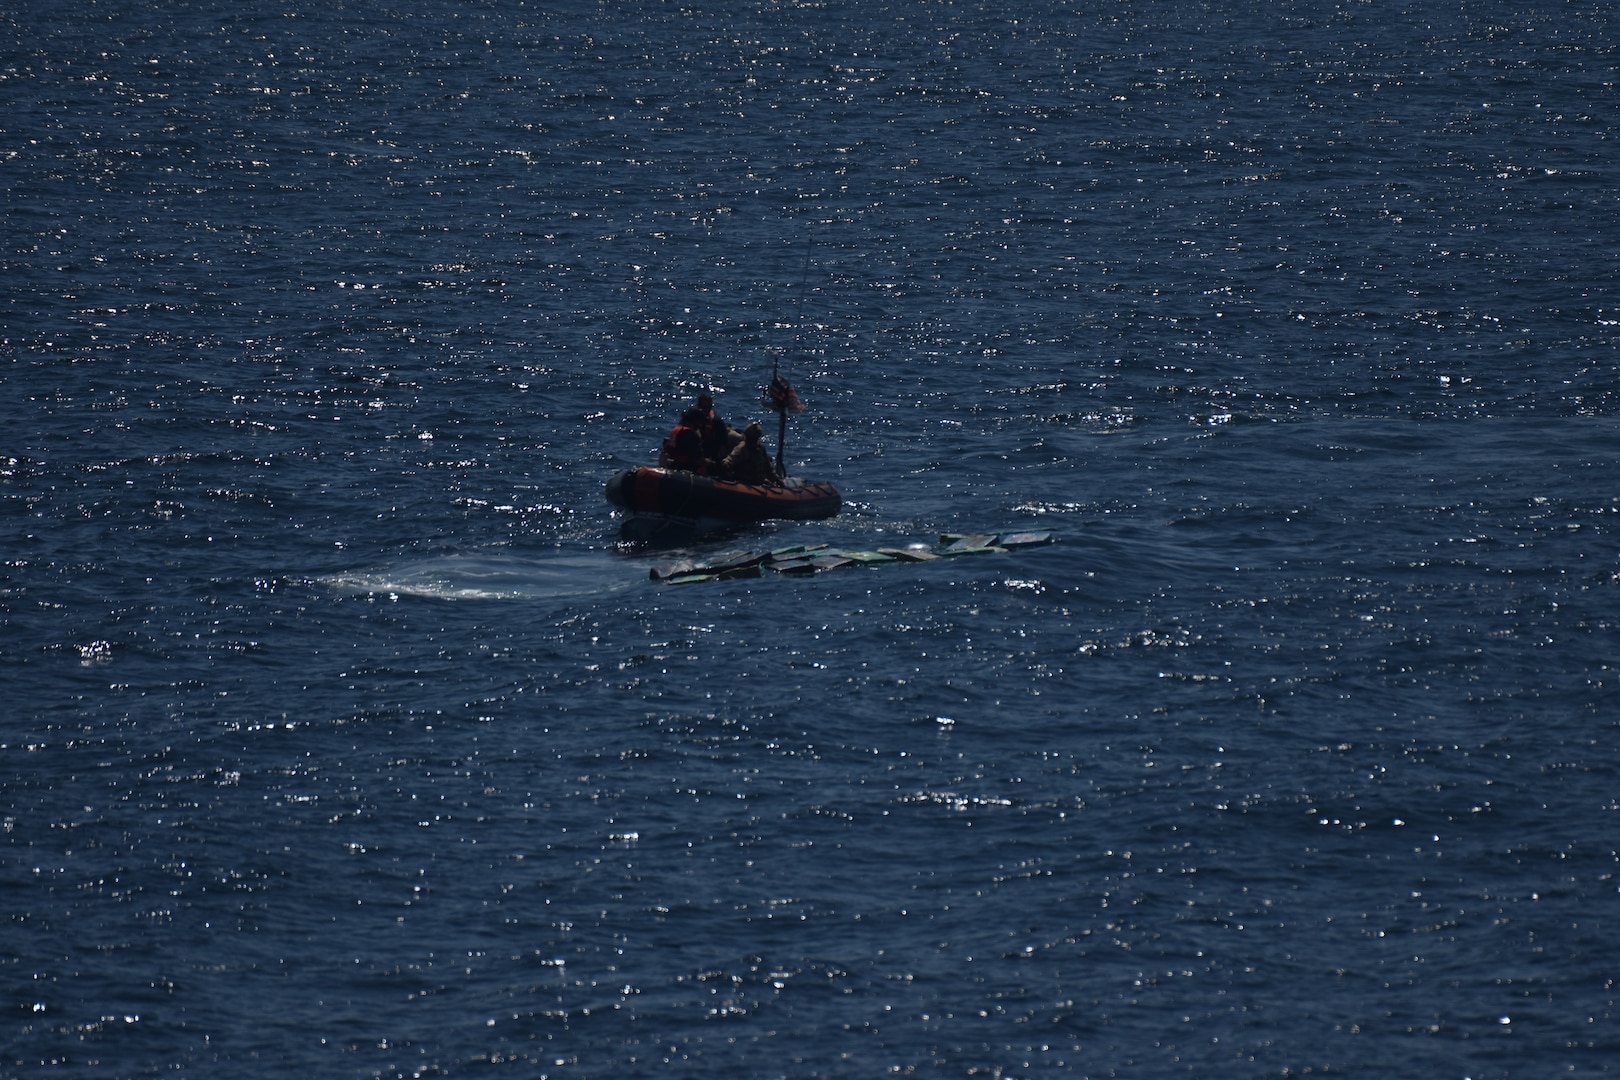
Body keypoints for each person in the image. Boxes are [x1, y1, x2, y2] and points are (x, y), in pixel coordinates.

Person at [721, 421, 781, 486]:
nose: (753, 441)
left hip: (759, 483)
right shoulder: (742, 448)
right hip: (745, 483)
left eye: (755, 438)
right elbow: (728, 461)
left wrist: (777, 480)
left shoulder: (760, 448)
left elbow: (769, 468)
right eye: (752, 438)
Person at [659, 407, 712, 474]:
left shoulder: (677, 430)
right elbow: (697, 459)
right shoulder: (690, 434)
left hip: (672, 466)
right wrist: (710, 462)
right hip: (684, 469)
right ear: (696, 421)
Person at [694, 392, 741, 461]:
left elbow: (723, 445)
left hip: (714, 453)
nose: (706, 410)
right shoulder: (693, 419)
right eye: (703, 407)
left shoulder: (717, 422)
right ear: (698, 406)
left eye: (709, 407)